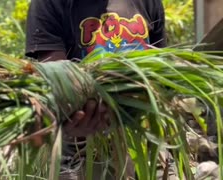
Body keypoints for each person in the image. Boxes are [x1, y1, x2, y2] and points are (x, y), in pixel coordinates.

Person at [24, 0, 173, 179]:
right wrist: (75, 111)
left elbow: (159, 71)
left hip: (145, 137)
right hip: (81, 149)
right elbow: (59, 83)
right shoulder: (49, 4)